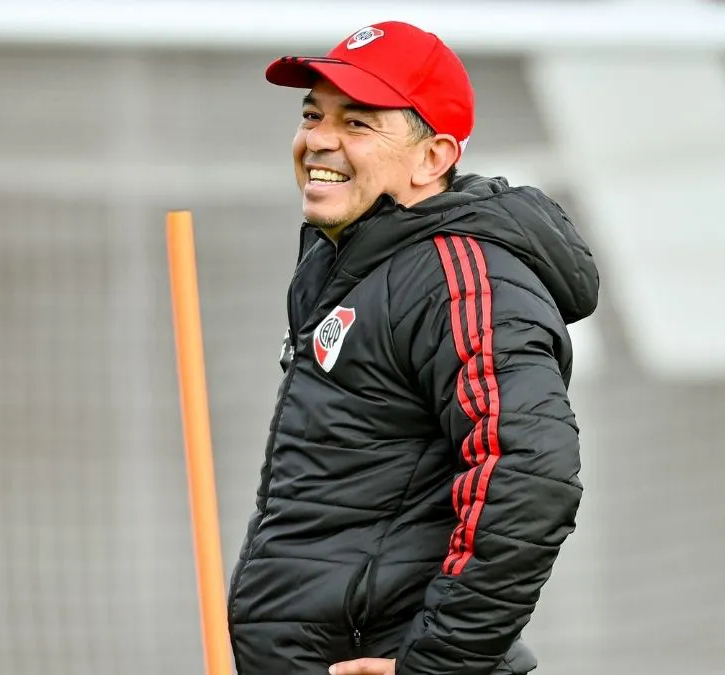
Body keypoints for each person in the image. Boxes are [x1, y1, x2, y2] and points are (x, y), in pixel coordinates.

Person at [225, 20, 600, 675]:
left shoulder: (460, 277)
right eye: (313, 113)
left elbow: (532, 473)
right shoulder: (345, 253)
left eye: (358, 123)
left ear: (433, 158)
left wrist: (437, 666)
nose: (318, 138)